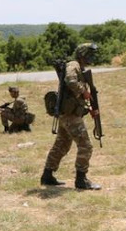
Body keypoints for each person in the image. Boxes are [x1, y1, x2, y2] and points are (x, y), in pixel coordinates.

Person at [41, 43, 101, 190]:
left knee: (61, 145)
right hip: (70, 116)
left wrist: (90, 109)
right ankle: (81, 180)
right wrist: (83, 91)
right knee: (85, 146)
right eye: (89, 54)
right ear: (82, 54)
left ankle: (47, 176)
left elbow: (74, 95)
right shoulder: (73, 65)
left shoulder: (78, 67)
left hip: (67, 114)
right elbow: (71, 80)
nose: (91, 58)